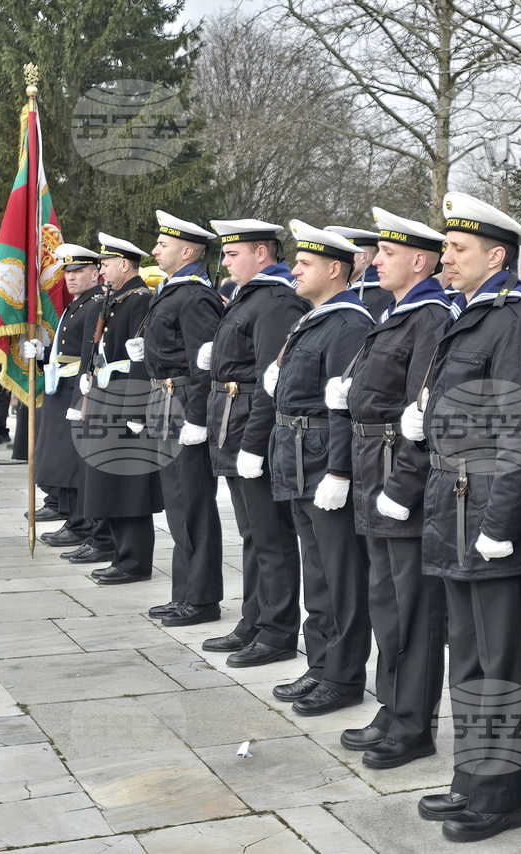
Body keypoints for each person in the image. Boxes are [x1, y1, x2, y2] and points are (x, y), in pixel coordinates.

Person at [403, 192, 521, 843]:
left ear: (497, 256)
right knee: (467, 661)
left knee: (497, 669)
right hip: (456, 512)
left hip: (496, 525)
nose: (446, 258)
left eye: (457, 249)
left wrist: (500, 525)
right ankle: (472, 782)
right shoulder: (467, 318)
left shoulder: (518, 324)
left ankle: (500, 799)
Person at [332, 207, 452, 767]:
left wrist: (404, 484)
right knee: (386, 600)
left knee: (411, 606)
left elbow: (421, 411)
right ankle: (392, 705)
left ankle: (413, 722)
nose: (374, 260)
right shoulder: (396, 311)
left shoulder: (430, 317)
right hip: (369, 460)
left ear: (419, 261)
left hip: (396, 467)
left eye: (386, 254)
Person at [259, 222, 374, 714]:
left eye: (305, 265)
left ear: (334, 269)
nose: (296, 270)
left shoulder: (349, 324)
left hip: (322, 461)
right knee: (319, 574)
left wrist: (340, 470)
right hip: (296, 458)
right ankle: (322, 662)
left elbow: (345, 406)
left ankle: (344, 676)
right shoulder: (315, 318)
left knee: (341, 574)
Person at [201, 219, 309, 667]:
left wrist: (253, 442)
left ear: (262, 253)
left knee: (272, 536)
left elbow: (271, 380)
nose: (225, 261)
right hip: (233, 419)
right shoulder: (250, 296)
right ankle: (254, 619)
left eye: (232, 253)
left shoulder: (277, 301)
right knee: (252, 534)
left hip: (251, 426)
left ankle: (278, 630)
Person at [126, 211, 225, 627]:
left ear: (187, 251)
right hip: (165, 400)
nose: (154, 250)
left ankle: (201, 599)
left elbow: (205, 365)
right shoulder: (173, 291)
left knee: (194, 504)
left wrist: (198, 419)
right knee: (176, 506)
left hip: (184, 403)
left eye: (162, 245)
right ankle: (184, 592)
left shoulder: (196, 296)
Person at [76, 233, 163, 584]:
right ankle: (118, 552)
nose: (101, 271)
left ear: (124, 264)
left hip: (125, 402)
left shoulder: (140, 300)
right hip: (106, 399)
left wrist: (135, 411)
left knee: (128, 487)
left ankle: (133, 560)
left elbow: (141, 361)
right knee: (108, 482)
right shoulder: (118, 298)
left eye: (106, 264)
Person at [30, 245, 109, 555]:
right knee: (61, 459)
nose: (71, 278)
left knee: (73, 461)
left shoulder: (94, 305)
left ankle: (79, 523)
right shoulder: (77, 304)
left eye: (78, 272)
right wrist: (42, 356)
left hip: (75, 389)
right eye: (68, 272)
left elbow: (91, 351)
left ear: (94, 273)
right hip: (60, 387)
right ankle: (69, 516)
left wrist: (83, 393)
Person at [325, 225, 393, 321]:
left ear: (364, 257)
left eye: (346, 254)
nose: (338, 261)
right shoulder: (345, 290)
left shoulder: (384, 294)